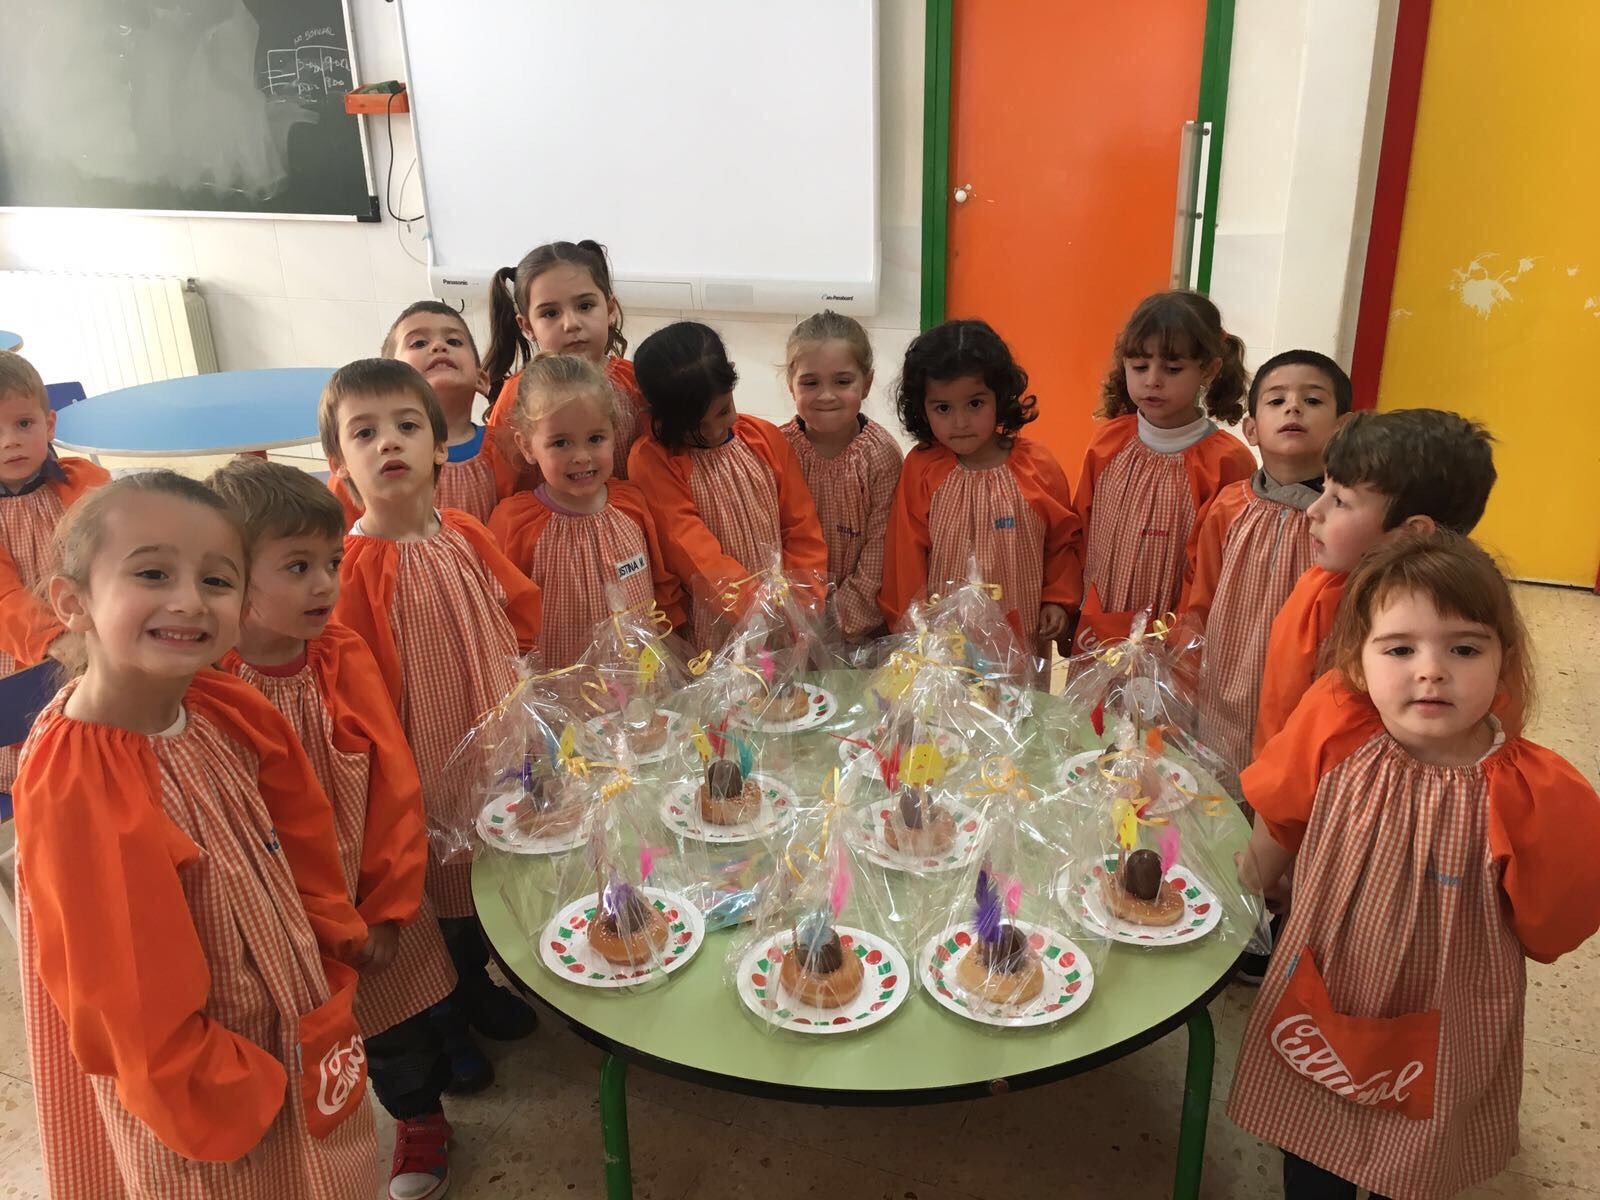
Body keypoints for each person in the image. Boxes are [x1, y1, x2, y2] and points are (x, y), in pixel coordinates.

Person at [13, 471, 379, 1197]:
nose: (188, 600)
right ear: (73, 602)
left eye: (216, 580)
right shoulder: (81, 776)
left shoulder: (216, 702)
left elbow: (299, 828)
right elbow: (121, 992)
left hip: (286, 1015)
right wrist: (223, 1092)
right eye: (153, 573)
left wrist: (330, 935)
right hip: (213, 1094)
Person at [1232, 531, 1600, 1200]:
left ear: (1505, 660)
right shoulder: (1333, 726)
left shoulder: (1532, 792)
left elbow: (1555, 923)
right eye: (1400, 649)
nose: (1431, 670)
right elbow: (1280, 814)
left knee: (1416, 1155)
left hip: (1446, 1011)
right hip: (1329, 979)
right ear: (1357, 659)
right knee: (1314, 1141)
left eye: (1464, 649)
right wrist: (1251, 884)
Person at [209, 456, 459, 1200]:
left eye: (331, 562)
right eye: (298, 567)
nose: (325, 584)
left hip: (368, 893)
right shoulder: (210, 683)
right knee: (319, 1035)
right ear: (228, 576)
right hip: (283, 913)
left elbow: (393, 783)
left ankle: (421, 1117)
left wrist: (386, 907)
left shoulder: (341, 654)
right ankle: (336, 1140)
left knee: (397, 1022)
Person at [322, 358, 542, 1095]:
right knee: (430, 903)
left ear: (440, 445)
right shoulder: (353, 567)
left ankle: (475, 985)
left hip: (493, 756)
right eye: (364, 432)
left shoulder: (467, 532)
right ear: (338, 464)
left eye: (406, 426)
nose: (389, 442)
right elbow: (349, 694)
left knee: (483, 885)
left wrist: (518, 696)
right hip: (417, 774)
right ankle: (443, 1018)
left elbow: (518, 607)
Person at [1253, 408, 1495, 757]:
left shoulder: (1461, 612)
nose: (1313, 510)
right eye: (1323, 489)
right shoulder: (1322, 584)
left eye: (1340, 501)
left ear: (1412, 533)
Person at [1182, 349, 1352, 776]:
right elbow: (1200, 598)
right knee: (1220, 786)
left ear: (1344, 428)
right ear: (1252, 429)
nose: (1293, 407)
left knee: (1293, 775)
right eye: (1276, 400)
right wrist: (1184, 671)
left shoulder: (1351, 517)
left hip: (1310, 686)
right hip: (1225, 682)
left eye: (1312, 400)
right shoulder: (1228, 505)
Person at [879, 318, 1080, 652]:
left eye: (975, 403)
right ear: (922, 409)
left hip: (1020, 641)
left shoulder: (1038, 467)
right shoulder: (922, 468)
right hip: (942, 645)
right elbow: (905, 556)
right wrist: (913, 627)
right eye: (943, 408)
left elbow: (1062, 543)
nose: (960, 422)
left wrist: (1058, 599)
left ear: (999, 397)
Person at [626, 321, 827, 649]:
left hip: (786, 615)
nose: (712, 431)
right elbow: (692, 551)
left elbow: (801, 527)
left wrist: (802, 602)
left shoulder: (765, 438)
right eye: (693, 425)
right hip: (717, 625)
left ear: (732, 379)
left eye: (722, 411)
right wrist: (755, 611)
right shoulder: (653, 460)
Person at [1073, 290, 1256, 650]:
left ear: (1208, 370)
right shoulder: (1108, 442)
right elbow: (1079, 527)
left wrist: (1183, 637)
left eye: (1172, 369)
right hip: (1098, 629)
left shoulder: (1228, 462)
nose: (1152, 380)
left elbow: (1219, 566)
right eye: (1140, 367)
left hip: (1173, 642)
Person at [488, 353, 684, 668]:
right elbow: (500, 612)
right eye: (560, 443)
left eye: (595, 438)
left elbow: (662, 583)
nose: (581, 456)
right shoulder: (514, 523)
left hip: (641, 681)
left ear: (614, 433)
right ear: (526, 446)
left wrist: (674, 642)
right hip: (559, 685)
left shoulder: (633, 504)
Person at [0, 352, 108, 793]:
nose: (9, 441)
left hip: (97, 634)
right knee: (57, 763)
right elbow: (4, 599)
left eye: (23, 424)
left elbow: (117, 555)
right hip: (22, 648)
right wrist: (57, 640)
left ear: (49, 425)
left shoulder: (84, 481)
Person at [329, 300, 527, 528]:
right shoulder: (360, 465)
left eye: (454, 341)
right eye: (419, 343)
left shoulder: (510, 451)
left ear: (481, 379)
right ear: (388, 375)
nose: (438, 346)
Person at [778, 311, 902, 643]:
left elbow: (881, 553)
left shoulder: (882, 456)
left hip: (860, 633)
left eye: (842, 381)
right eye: (810, 382)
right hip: (790, 626)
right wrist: (796, 616)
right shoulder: (775, 449)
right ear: (791, 385)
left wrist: (837, 622)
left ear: (867, 383)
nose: (826, 395)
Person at [482, 239, 646, 479]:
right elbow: (501, 478)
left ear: (610, 309)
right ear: (527, 326)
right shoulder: (518, 395)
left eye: (585, 306)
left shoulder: (637, 381)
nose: (571, 323)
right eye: (550, 313)